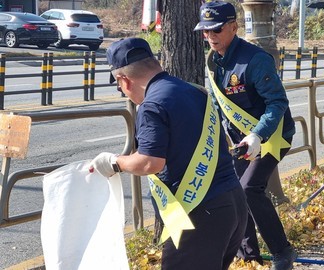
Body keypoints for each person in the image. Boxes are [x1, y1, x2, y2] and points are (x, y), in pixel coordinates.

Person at [89, 38, 247, 270]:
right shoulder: (196, 91)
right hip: (233, 203)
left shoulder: (153, 105)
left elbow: (149, 162)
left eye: (119, 86)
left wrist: (115, 162)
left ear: (124, 80)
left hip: (198, 215)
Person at [194, 1, 297, 269]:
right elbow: (219, 102)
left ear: (233, 27)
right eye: (205, 32)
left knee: (249, 188)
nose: (210, 37)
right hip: (240, 139)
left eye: (215, 30)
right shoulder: (214, 60)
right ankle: (249, 255)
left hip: (273, 135)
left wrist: (258, 135)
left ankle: (282, 251)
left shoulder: (255, 60)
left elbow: (277, 103)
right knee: (234, 192)